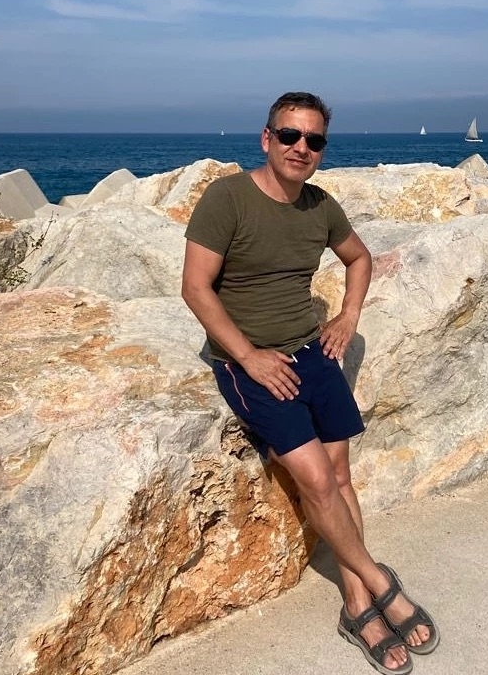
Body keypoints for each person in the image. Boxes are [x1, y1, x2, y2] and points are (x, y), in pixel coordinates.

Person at [182, 92, 439, 675]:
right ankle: (379, 582)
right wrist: (248, 356)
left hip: (310, 350)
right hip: (249, 362)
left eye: (314, 140)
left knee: (341, 474)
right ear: (266, 138)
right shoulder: (227, 198)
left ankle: (356, 603)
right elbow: (195, 288)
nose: (301, 147)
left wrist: (348, 316)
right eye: (290, 135)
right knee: (319, 481)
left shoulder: (320, 206)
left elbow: (359, 259)